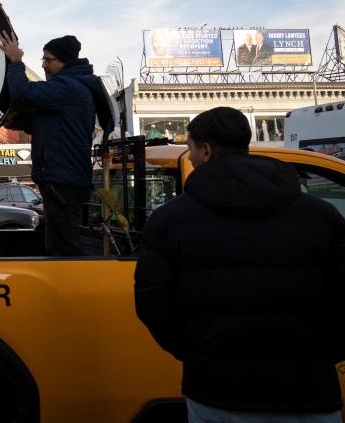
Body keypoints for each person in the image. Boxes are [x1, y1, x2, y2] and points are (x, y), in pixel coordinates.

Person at [135, 107, 345, 422]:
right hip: (308, 390)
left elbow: (151, 301)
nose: (189, 157)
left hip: (215, 391)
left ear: (206, 151)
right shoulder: (322, 215)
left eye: (190, 148)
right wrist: (322, 355)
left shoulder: (169, 219)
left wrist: (196, 353)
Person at [0, 31, 100, 256]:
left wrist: (16, 61)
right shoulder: (72, 88)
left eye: (48, 60)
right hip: (63, 180)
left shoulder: (67, 87)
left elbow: (23, 93)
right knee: (58, 243)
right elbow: (47, 125)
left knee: (63, 249)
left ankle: (69, 289)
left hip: (61, 181)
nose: (43, 65)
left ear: (65, 61)